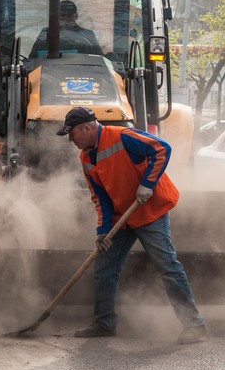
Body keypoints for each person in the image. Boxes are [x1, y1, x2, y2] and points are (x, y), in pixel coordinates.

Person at [57, 107, 207, 344]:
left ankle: (194, 325)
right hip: (121, 218)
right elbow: (100, 197)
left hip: (149, 211)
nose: (71, 140)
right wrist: (103, 230)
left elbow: (162, 149)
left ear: (86, 128)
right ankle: (104, 323)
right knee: (105, 268)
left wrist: (148, 184)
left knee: (167, 266)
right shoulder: (86, 157)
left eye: (72, 134)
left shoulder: (122, 136)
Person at [29, 0, 102, 57]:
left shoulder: (88, 35)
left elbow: (100, 59)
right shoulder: (46, 33)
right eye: (62, 15)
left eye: (70, 15)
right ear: (57, 17)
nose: (66, 19)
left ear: (76, 16)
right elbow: (33, 58)